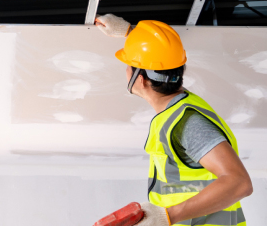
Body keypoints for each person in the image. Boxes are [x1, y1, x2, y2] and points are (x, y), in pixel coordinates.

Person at [95, 14, 253, 226]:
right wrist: (131, 33)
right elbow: (164, 57)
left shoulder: (187, 125)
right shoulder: (178, 109)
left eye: (128, 64)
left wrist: (167, 217)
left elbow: (239, 183)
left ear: (139, 80)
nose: (125, 69)